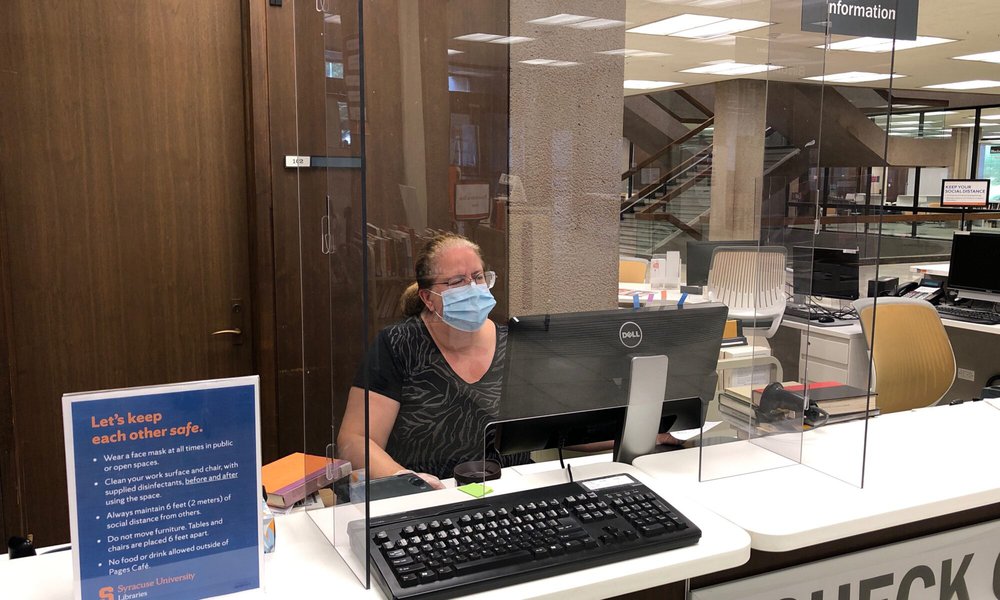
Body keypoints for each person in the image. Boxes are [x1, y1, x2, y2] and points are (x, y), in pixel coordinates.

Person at [338, 233, 526, 489]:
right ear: (427, 298)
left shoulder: (515, 343)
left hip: (514, 495)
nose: (472, 288)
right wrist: (405, 479)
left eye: (478, 277)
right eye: (457, 281)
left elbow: (562, 427)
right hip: (427, 500)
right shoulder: (398, 345)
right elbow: (355, 439)